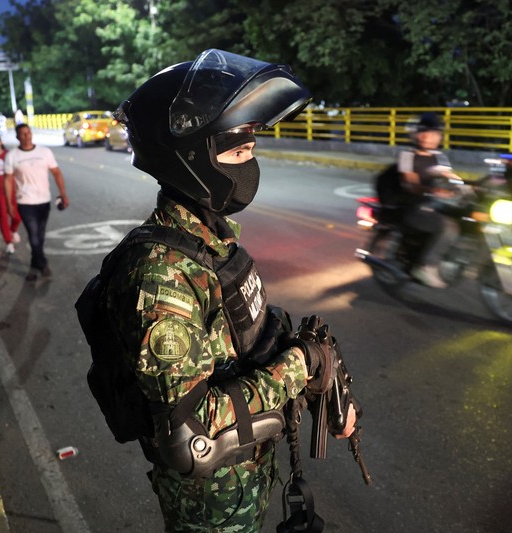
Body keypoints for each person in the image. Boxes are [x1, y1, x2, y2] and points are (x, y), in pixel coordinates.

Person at [102, 49, 356, 531]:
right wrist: (298, 366)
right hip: (210, 502)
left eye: (252, 150)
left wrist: (317, 370)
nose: (250, 164)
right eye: (239, 152)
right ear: (191, 159)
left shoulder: (213, 240)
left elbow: (243, 335)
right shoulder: (160, 275)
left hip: (248, 475)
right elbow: (190, 431)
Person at [395, 112, 461, 289]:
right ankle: (426, 266)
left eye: (434, 133)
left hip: (430, 203)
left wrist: (468, 187)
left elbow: (450, 176)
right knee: (449, 228)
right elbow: (411, 183)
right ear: (416, 134)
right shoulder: (407, 156)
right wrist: (434, 190)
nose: (429, 137)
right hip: (411, 205)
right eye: (424, 132)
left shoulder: (439, 157)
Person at [3, 123, 68, 281]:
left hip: (44, 201)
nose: (26, 136)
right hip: (25, 202)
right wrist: (9, 204)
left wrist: (63, 193)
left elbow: (56, 172)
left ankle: (34, 265)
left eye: (28, 133)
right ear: (17, 136)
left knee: (40, 235)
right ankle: (43, 264)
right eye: (22, 134)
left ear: (31, 134)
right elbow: (8, 180)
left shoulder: (44, 152)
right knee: (33, 235)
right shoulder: (12, 155)